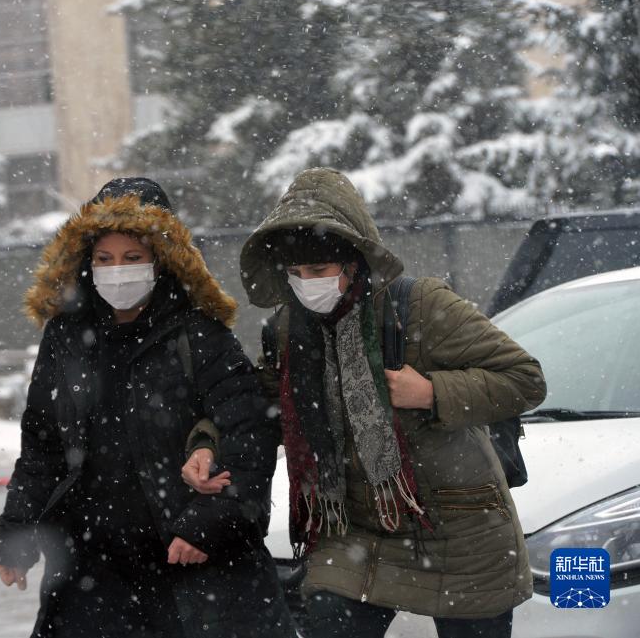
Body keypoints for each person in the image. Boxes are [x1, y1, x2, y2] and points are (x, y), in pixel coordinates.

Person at [182, 168, 547, 638]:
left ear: (353, 262)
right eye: (294, 273)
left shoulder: (421, 305)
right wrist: (208, 443)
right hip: (352, 533)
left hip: (456, 528)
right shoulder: (291, 330)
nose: (306, 283)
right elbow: (256, 406)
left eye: (318, 270)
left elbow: (524, 378)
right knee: (330, 620)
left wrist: (432, 392)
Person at [0, 178, 296, 638]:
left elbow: (249, 436)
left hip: (187, 565)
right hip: (91, 570)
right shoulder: (65, 338)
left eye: (132, 257)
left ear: (161, 260)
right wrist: (17, 532)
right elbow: (42, 447)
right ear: (86, 262)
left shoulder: (200, 334)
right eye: (104, 258)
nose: (117, 270)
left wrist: (206, 526)